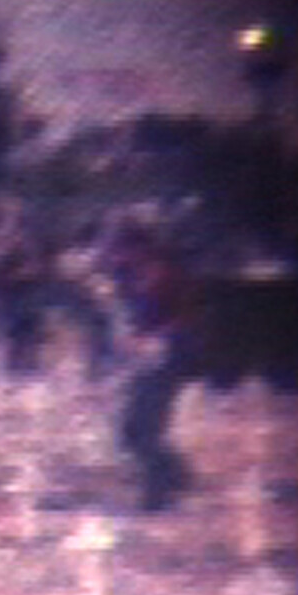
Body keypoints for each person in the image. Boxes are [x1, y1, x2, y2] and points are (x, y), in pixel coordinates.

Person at [103, 219, 199, 513]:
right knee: (130, 430)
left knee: (144, 430)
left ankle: (158, 493)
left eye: (119, 247)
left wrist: (155, 337)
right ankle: (177, 475)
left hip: (170, 358)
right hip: (148, 358)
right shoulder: (129, 275)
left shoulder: (166, 272)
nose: (113, 254)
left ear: (137, 247)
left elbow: (185, 317)